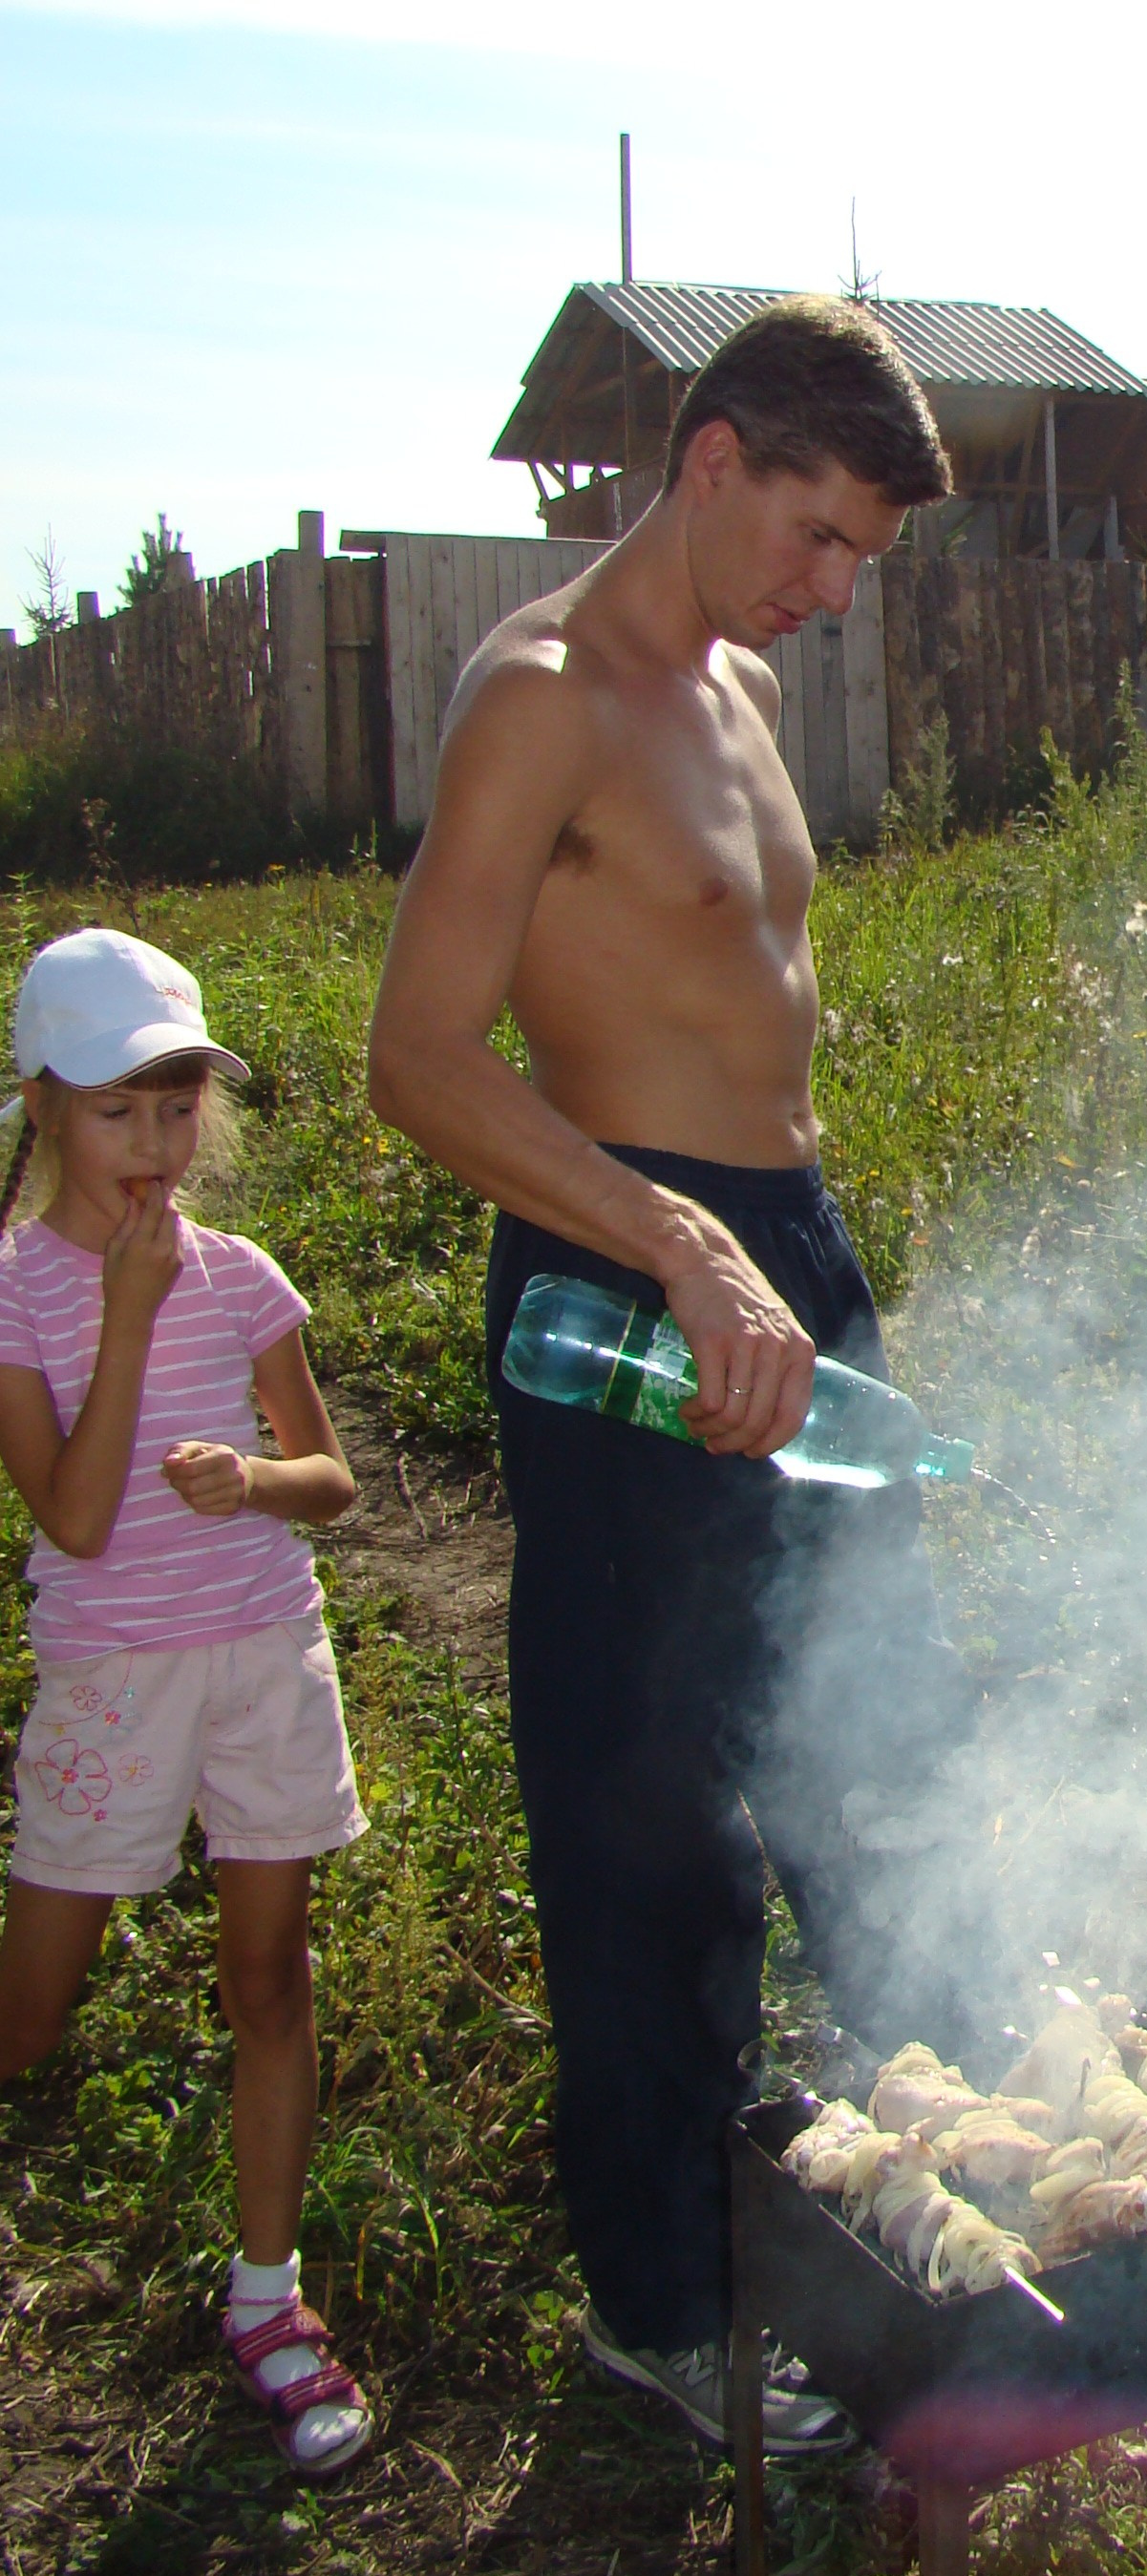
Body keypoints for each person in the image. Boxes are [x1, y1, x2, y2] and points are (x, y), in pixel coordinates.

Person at [368, 294, 978, 2456]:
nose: (835, 593)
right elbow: (414, 1056)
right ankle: (665, 2305)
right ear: (713, 459)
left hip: (785, 1257)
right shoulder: (542, 697)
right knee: (649, 1808)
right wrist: (680, 1240)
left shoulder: (742, 686)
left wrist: (781, 1252)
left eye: (864, 561)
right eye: (818, 536)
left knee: (883, 1734)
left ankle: (954, 2202)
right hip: (629, 1267)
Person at [0, 927, 369, 2476]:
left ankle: (269, 2299)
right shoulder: (18, 1292)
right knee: (34, 2009)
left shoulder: (243, 1277)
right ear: (41, 1108)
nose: (152, 1145)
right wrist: (132, 1315)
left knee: (269, 1982)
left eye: (175, 1107)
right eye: (115, 1111)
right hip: (115, 1681)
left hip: (264, 1657)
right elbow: (76, 1519)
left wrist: (254, 1482)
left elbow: (330, 1480)